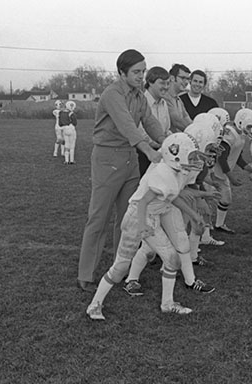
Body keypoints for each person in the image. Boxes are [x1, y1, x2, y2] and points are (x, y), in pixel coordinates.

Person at [86, 133, 207, 320]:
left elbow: (172, 197)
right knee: (120, 268)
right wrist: (142, 226)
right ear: (176, 154)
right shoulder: (164, 173)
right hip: (138, 217)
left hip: (151, 217)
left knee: (172, 259)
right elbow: (142, 203)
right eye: (190, 156)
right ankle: (95, 304)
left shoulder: (173, 170)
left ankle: (167, 304)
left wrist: (193, 215)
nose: (193, 161)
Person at [77, 49, 167, 293]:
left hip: (129, 158)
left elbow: (149, 121)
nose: (141, 76)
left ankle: (120, 269)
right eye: (136, 72)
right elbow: (126, 124)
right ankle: (86, 274)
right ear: (121, 73)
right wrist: (148, 150)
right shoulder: (112, 94)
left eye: (143, 71)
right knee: (99, 218)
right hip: (108, 159)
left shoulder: (139, 96)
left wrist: (167, 141)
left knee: (127, 219)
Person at [211, 110, 252, 234]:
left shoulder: (240, 134)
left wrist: (247, 168)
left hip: (221, 173)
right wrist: (231, 177)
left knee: (223, 199)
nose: (251, 129)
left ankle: (217, 225)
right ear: (241, 122)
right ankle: (209, 226)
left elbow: (237, 156)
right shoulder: (229, 135)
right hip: (214, 173)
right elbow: (221, 158)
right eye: (249, 126)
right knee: (214, 199)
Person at [138, 66, 172, 175]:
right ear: (150, 83)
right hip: (143, 154)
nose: (166, 87)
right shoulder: (141, 102)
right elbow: (139, 131)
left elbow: (166, 129)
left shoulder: (164, 104)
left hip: (160, 153)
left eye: (168, 83)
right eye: (162, 83)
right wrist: (155, 144)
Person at [165, 64, 193, 133]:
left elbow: (187, 119)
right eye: (183, 78)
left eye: (187, 79)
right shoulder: (165, 97)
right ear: (172, 78)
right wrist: (194, 132)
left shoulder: (179, 100)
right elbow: (177, 122)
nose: (186, 82)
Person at [61, 101, 78, 165]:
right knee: (72, 145)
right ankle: (71, 160)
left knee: (66, 145)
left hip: (65, 129)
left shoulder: (62, 113)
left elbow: (60, 123)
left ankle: (66, 160)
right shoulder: (72, 114)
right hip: (71, 128)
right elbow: (75, 123)